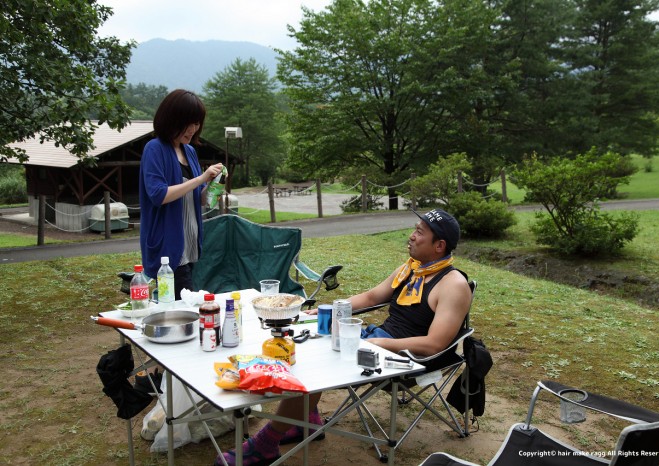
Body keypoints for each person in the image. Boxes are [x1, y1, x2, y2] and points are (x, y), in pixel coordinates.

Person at [216, 208, 472, 466]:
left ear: (439, 245)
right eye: (415, 230)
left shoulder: (453, 285)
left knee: (315, 367)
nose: (412, 236)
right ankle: (305, 421)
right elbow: (371, 297)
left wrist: (380, 343)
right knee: (302, 343)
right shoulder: (411, 269)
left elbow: (434, 344)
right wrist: (329, 309)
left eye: (419, 232)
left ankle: (266, 444)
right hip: (377, 340)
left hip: (406, 358)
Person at [139, 89, 224, 300]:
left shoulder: (190, 151)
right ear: (173, 119)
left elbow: (198, 198)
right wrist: (201, 178)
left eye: (197, 123)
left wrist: (214, 185)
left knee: (180, 306)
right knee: (183, 308)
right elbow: (159, 195)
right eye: (189, 123)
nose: (193, 129)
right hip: (169, 250)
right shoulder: (154, 149)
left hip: (190, 245)